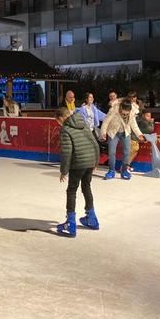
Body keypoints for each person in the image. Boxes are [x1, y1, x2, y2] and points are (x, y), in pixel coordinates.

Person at [55, 106, 100, 238]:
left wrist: (64, 171)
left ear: (61, 118)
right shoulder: (83, 122)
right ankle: (91, 218)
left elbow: (66, 152)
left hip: (78, 162)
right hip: (90, 160)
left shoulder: (65, 129)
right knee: (86, 187)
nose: (58, 124)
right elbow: (94, 143)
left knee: (71, 190)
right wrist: (95, 161)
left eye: (58, 121)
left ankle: (70, 223)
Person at [100, 99, 144, 180]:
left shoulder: (132, 112)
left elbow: (134, 124)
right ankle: (111, 170)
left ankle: (124, 170)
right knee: (112, 152)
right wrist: (103, 133)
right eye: (123, 113)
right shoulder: (114, 110)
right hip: (113, 132)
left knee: (127, 152)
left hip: (125, 132)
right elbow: (106, 122)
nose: (125, 115)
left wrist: (139, 134)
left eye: (127, 113)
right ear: (120, 108)